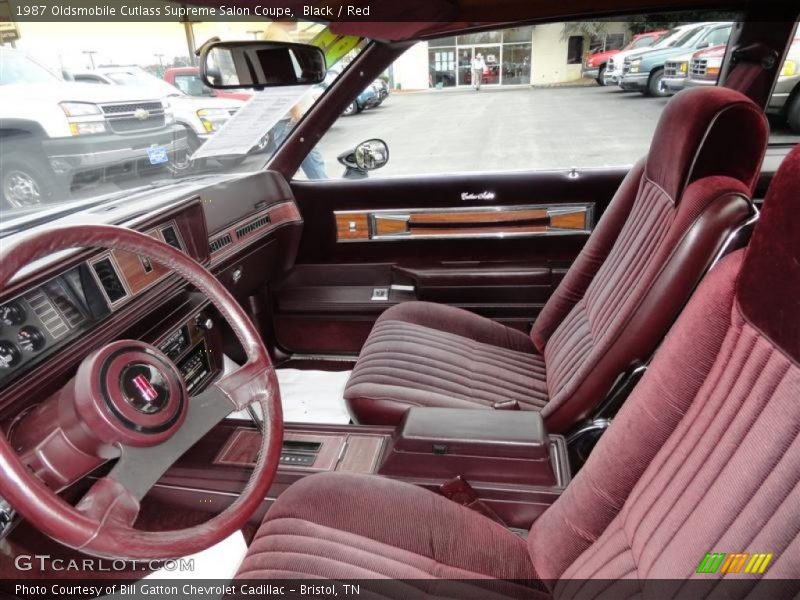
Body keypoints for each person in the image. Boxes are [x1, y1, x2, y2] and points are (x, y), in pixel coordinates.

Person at [260, 23, 328, 179]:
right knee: (311, 168)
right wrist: (296, 111)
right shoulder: (277, 36)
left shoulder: (278, 34)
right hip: (291, 119)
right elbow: (282, 79)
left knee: (301, 168)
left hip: (290, 117)